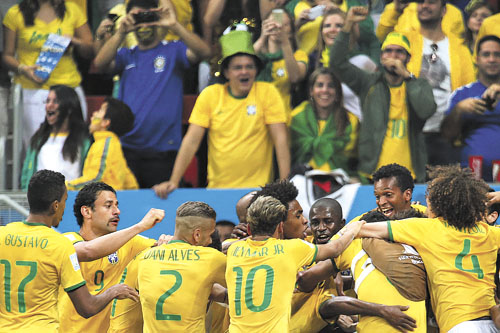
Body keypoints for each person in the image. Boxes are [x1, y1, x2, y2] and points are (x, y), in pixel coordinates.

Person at [359, 164, 500, 332]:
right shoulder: (490, 232)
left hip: (460, 324)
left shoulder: (427, 228)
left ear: (439, 204)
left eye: (429, 201)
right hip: (492, 323)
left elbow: (362, 229)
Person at [153, 25, 290, 197]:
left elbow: (280, 139)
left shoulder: (267, 92)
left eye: (249, 66)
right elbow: (192, 141)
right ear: (226, 72)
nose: (244, 71)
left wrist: (284, 186)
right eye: (237, 67)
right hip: (218, 191)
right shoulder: (211, 95)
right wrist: (174, 180)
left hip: (258, 193)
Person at [0, 170, 139, 332]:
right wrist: (113, 292)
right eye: (65, 201)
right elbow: (87, 307)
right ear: (56, 205)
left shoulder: (2, 235)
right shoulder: (60, 245)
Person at [93, 0, 211, 188]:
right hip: (127, 149)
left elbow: (204, 52)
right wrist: (121, 32)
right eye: (139, 18)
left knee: (162, 212)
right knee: (126, 211)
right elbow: (100, 64)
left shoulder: (173, 49)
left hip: (163, 151)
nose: (144, 25)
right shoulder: (126, 54)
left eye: (149, 17)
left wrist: (174, 24)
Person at [225, 195, 365, 332]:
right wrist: (354, 228)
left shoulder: (233, 250)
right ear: (280, 227)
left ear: (249, 229)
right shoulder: (292, 248)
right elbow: (335, 248)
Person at [330, 6, 436, 182]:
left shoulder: (419, 84)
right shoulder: (368, 82)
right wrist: (347, 25)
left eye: (399, 52)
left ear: (408, 58)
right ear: (381, 57)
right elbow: (336, 63)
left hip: (410, 176)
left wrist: (408, 78)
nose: (393, 56)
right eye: (388, 51)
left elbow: (426, 110)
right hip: (373, 174)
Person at [297, 207, 426, 332]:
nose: (321, 228)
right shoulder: (419, 251)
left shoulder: (358, 242)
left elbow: (305, 279)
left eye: (328, 221)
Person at [57, 181, 164, 333]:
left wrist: (168, 241)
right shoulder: (67, 241)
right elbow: (88, 251)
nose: (117, 211)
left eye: (116, 205)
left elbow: (166, 249)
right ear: (86, 212)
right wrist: (140, 226)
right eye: (108, 206)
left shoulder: (128, 242)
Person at [108, 201, 227, 332]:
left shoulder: (142, 258)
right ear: (197, 235)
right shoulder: (211, 258)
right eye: (210, 235)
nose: (210, 240)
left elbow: (120, 311)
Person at [2, 0, 93, 147]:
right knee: (37, 147)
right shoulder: (15, 13)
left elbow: (90, 51)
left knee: (73, 147)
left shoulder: (73, 10)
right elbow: (7, 55)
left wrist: (76, 42)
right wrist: (23, 69)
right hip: (31, 90)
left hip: (68, 89)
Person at [403, 0, 475, 166]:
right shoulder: (405, 40)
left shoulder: (460, 47)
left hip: (446, 137)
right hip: (409, 135)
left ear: (444, 10)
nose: (424, 6)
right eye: (420, 2)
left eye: (431, 2)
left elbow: (467, 89)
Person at [442, 35, 500, 183]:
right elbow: (447, 136)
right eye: (486, 54)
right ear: (476, 59)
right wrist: (459, 110)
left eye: (497, 54)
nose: (492, 59)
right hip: (472, 176)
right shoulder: (462, 94)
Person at [290, 67, 359, 176]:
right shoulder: (296, 117)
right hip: (302, 179)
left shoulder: (350, 120)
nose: (325, 90)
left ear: (337, 92)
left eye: (330, 86)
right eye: (320, 85)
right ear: (311, 91)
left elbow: (353, 160)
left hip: (340, 180)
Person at [21, 85, 90, 190]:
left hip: (71, 199)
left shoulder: (83, 140)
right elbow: (26, 174)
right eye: (47, 101)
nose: (49, 105)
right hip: (41, 201)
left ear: (69, 108)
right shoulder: (39, 138)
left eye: (55, 101)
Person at [66, 98, 138, 190]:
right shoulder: (110, 143)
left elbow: (96, 179)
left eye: (100, 110)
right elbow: (131, 184)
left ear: (105, 122)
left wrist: (66, 187)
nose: (94, 114)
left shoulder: (105, 144)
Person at [253, 9, 308, 123]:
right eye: (272, 22)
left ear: (292, 31)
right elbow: (242, 63)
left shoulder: (299, 55)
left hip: (281, 117)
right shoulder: (258, 53)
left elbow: (295, 77)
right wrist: (263, 36)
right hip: (254, 117)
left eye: (285, 25)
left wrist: (284, 42)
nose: (278, 26)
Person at [376, 0, 465, 42]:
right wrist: (396, 12)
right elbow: (382, 38)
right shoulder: (396, 8)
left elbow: (455, 48)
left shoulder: (454, 13)